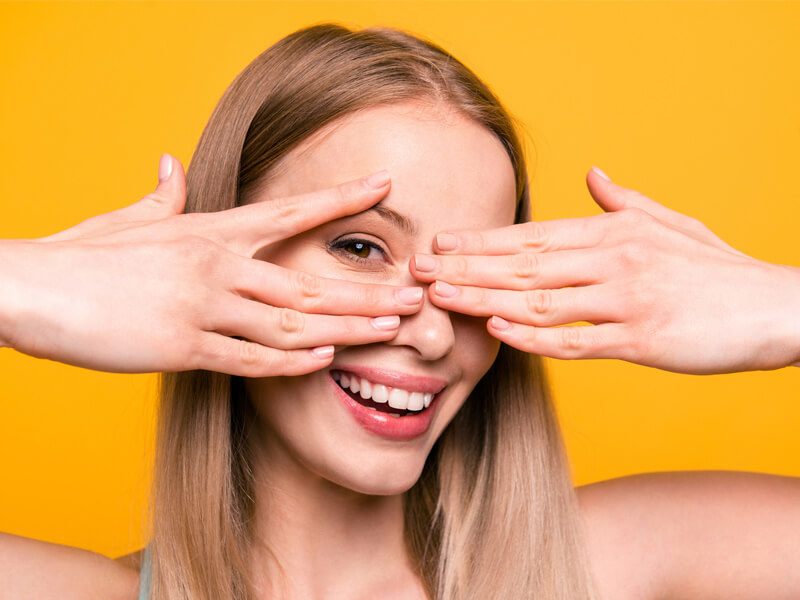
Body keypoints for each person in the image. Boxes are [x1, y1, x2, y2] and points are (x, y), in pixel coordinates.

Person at [0, 22, 798, 600]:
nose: (429, 331)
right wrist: (25, 283)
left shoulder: (598, 568)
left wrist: (779, 307)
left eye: (468, 275)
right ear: (205, 262)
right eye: (358, 248)